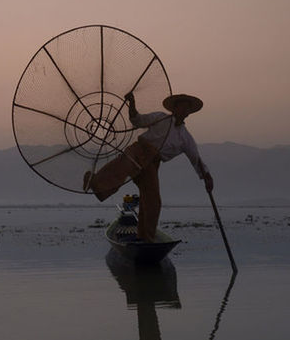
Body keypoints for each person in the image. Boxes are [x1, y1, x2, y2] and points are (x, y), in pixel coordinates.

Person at [84, 92, 213, 241]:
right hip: (140, 150)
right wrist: (131, 103)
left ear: (189, 113)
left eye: (187, 108)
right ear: (175, 108)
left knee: (153, 200)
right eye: (181, 106)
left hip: (152, 163)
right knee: (120, 169)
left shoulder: (185, 137)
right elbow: (138, 121)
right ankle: (95, 182)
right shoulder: (160, 117)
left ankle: (145, 237)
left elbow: (196, 159)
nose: (184, 110)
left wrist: (207, 177)